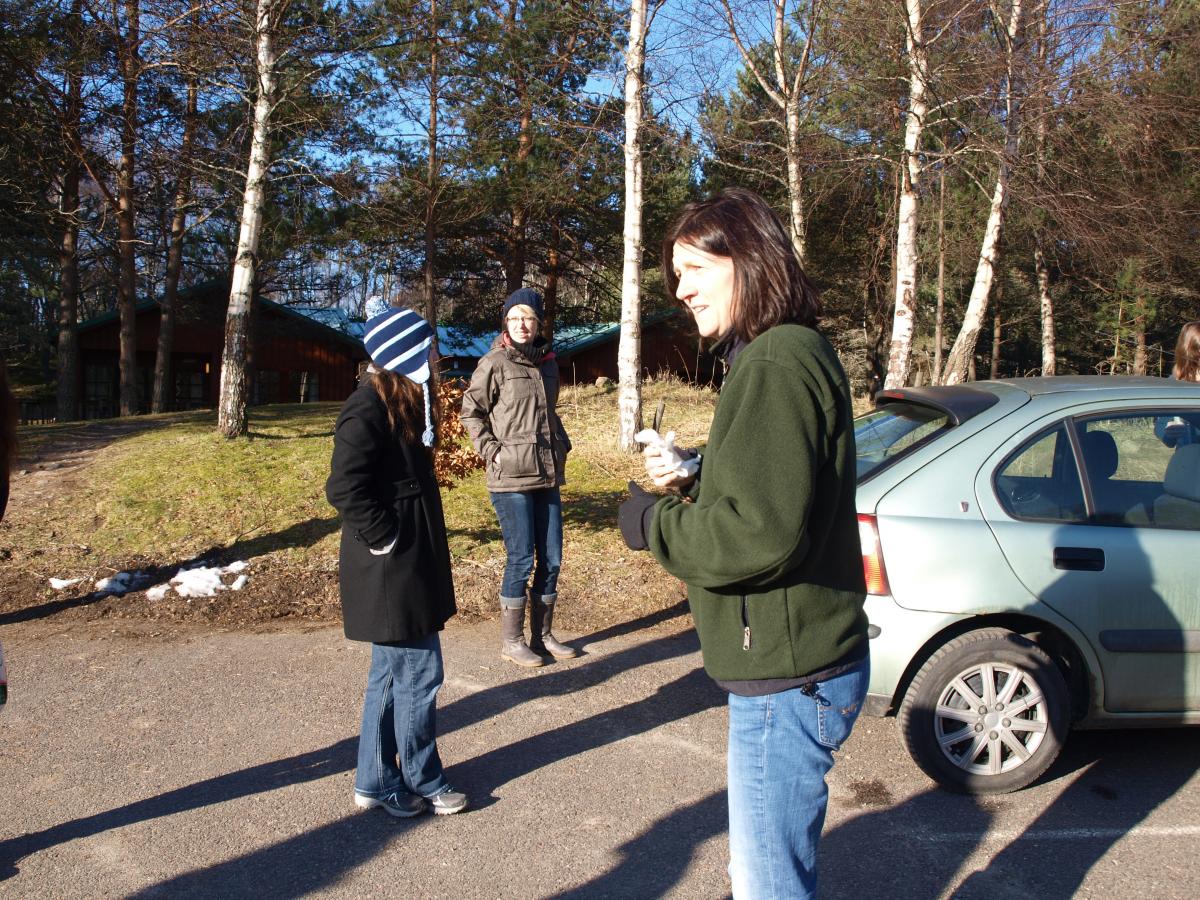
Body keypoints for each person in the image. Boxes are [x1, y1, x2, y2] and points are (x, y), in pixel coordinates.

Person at [618, 188, 869, 899]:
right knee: (761, 874)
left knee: (766, 886)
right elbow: (777, 494)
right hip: (800, 663)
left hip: (789, 677)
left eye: (696, 266)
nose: (682, 287)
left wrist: (650, 524)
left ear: (749, 259)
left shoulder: (774, 362)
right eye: (676, 273)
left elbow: (759, 533)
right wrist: (695, 473)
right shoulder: (784, 351)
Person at [326, 300, 468, 817]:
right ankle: (423, 778)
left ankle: (374, 780)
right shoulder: (366, 407)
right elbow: (344, 486)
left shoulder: (405, 400)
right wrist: (385, 535)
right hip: (390, 565)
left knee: (390, 675)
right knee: (420, 673)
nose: (434, 354)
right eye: (426, 346)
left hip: (407, 559)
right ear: (404, 353)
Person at [460, 288, 577, 668]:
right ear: (506, 322)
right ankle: (512, 641)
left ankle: (542, 636)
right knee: (521, 558)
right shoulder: (494, 363)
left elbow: (547, 413)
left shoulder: (549, 364)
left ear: (539, 322)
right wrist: (494, 452)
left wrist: (561, 441)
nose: (521, 325)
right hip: (509, 478)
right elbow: (471, 413)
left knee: (553, 558)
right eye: (514, 318)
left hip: (546, 472)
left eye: (527, 317)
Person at [1156, 321, 1200, 447]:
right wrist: (1169, 433)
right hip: (1190, 460)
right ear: (1190, 351)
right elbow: (1161, 426)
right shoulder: (1174, 386)